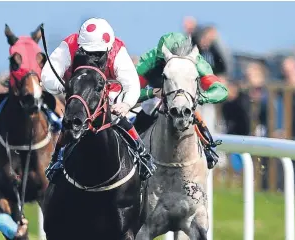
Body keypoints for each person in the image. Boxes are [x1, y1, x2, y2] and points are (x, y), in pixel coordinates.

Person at [41, 17, 156, 180]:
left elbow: (132, 84)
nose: (93, 57)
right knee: (71, 116)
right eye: (88, 52)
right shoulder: (69, 45)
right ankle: (57, 159)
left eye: (98, 54)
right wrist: (67, 87)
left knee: (115, 115)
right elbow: (47, 77)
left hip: (110, 93)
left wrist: (126, 104)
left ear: (108, 47)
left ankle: (142, 154)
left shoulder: (117, 50)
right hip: (80, 93)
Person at [134, 32, 228, 169]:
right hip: (157, 95)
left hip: (185, 99)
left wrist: (200, 97)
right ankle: (135, 150)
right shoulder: (150, 59)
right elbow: (127, 92)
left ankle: (208, 148)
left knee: (193, 110)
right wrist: (151, 92)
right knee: (149, 107)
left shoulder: (197, 60)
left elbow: (221, 90)